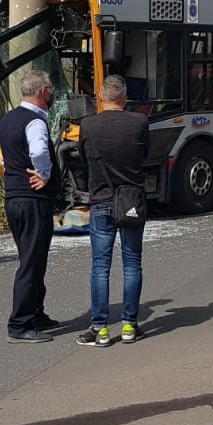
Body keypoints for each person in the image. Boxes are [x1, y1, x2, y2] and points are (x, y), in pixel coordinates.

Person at [75, 75, 149, 347]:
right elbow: (145, 154)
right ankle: (130, 325)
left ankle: (101, 328)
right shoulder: (139, 122)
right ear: (125, 98)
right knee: (132, 264)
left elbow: (83, 160)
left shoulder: (89, 124)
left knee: (100, 267)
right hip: (130, 199)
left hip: (102, 199)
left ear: (101, 97)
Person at [0, 69, 61, 343]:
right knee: (31, 261)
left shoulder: (9, 119)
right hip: (32, 199)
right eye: (50, 90)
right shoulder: (35, 122)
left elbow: (3, 159)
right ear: (42, 92)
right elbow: (38, 151)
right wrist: (45, 175)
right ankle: (20, 323)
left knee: (34, 258)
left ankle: (36, 312)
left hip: (14, 197)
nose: (51, 94)